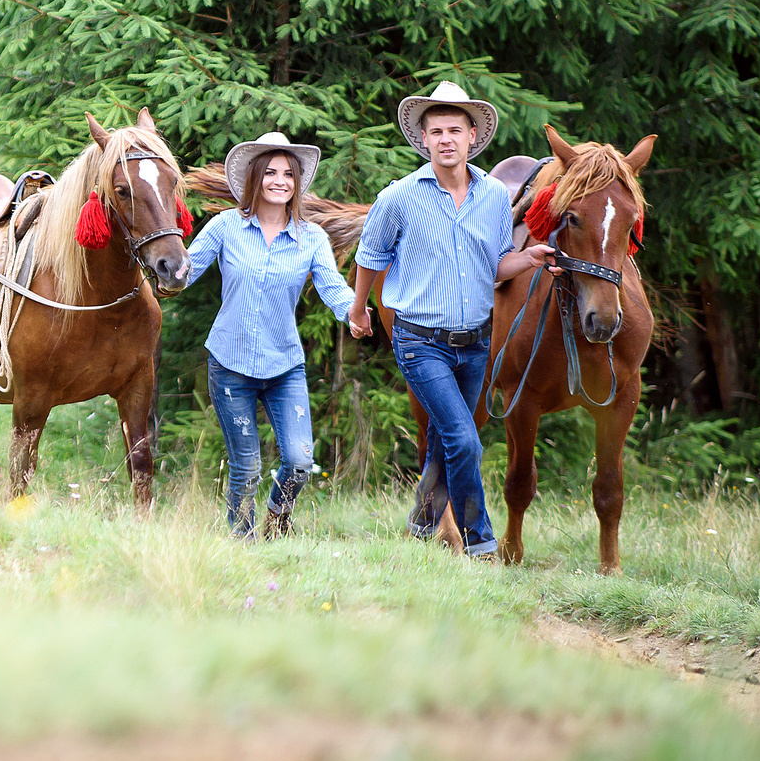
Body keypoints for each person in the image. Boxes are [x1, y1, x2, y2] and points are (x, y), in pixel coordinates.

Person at [347, 81, 557, 558]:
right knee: (464, 439)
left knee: (449, 438)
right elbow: (371, 257)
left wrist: (532, 259)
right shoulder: (398, 197)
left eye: (454, 130)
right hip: (420, 340)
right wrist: (359, 309)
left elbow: (497, 263)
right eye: (436, 131)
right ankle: (481, 540)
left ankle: (422, 523)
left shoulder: (492, 199)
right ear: (424, 139)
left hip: (476, 343)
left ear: (472, 136)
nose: (445, 139)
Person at [176, 131, 355, 538]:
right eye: (271, 172)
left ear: (297, 183)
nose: (280, 181)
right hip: (230, 364)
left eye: (288, 174)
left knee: (298, 460)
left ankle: (278, 514)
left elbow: (333, 288)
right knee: (246, 466)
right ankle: (242, 542)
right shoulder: (226, 226)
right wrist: (158, 266)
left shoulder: (312, 238)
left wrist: (354, 313)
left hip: (283, 366)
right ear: (255, 178)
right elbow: (186, 272)